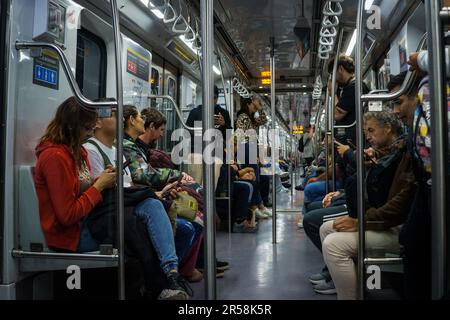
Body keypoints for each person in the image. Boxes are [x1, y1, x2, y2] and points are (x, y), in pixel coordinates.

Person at [34, 97, 185, 299]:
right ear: (75, 126)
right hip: (71, 233)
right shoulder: (54, 157)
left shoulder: (77, 152)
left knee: (150, 206)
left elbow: (81, 188)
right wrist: (99, 185)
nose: (89, 134)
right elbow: (67, 215)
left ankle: (168, 277)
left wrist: (102, 180)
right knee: (135, 226)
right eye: (87, 129)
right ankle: (159, 286)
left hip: (89, 218)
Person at [83, 101, 197, 292]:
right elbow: (104, 188)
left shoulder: (116, 150)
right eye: (112, 114)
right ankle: (166, 279)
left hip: (127, 200)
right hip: (108, 207)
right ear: (97, 123)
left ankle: (171, 273)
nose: (119, 119)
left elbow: (130, 183)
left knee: (155, 204)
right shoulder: (92, 150)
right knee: (156, 210)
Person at [318, 111, 416, 299]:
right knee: (326, 228)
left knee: (333, 244)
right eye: (366, 131)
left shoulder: (404, 154)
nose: (368, 136)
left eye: (371, 130)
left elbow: (398, 203)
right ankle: (349, 282)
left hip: (396, 227)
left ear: (387, 128)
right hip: (380, 218)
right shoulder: (388, 154)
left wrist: (360, 221)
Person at [186, 85, 232, 187]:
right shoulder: (195, 112)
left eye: (214, 98)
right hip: (197, 149)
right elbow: (187, 133)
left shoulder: (223, 113)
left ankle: (209, 194)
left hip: (216, 152)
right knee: (196, 163)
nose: (211, 100)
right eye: (209, 97)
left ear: (217, 98)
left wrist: (224, 124)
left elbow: (228, 137)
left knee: (215, 164)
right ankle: (197, 194)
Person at [234, 96, 272, 219]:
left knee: (256, 178)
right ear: (249, 104)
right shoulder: (243, 117)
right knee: (253, 178)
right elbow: (240, 135)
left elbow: (263, 120)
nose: (256, 106)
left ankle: (259, 205)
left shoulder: (251, 118)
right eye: (255, 104)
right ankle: (255, 207)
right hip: (245, 148)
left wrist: (260, 108)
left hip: (249, 148)